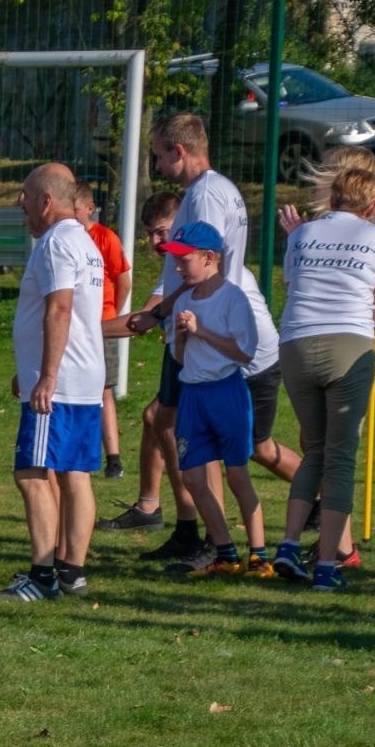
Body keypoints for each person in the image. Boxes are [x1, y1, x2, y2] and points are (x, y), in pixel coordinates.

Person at [120, 112, 298, 573]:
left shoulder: (205, 197)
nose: (158, 165)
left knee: (233, 453)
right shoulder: (215, 190)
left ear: (179, 151)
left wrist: (163, 313)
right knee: (171, 426)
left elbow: (202, 268)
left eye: (160, 155)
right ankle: (202, 536)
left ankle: (223, 544)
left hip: (216, 350)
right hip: (199, 340)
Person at [274, 167, 375, 591]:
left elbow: (293, 284)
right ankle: (327, 565)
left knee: (316, 451)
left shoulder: (301, 235)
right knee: (340, 458)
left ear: (333, 199)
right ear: (373, 206)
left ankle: (289, 544)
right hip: (349, 347)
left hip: (296, 345)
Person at [0, 163, 105, 602]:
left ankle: (42, 576)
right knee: (75, 473)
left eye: (25, 196)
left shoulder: (56, 242)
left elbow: (60, 309)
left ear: (46, 201)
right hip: (83, 375)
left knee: (32, 473)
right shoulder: (85, 242)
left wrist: (47, 377)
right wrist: (29, 368)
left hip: (60, 381)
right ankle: (72, 572)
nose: (20, 204)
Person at [158, 222, 270, 578]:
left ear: (209, 258)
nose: (178, 268)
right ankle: (226, 552)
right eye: (175, 260)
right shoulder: (184, 302)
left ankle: (259, 555)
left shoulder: (232, 298)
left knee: (237, 475)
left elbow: (244, 352)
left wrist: (201, 331)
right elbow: (179, 359)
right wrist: (181, 339)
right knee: (192, 477)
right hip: (193, 395)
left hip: (226, 393)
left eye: (184, 259)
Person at [98, 191, 186, 534]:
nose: (154, 242)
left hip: (227, 361)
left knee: (253, 447)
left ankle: (193, 527)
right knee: (155, 419)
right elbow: (149, 315)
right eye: (150, 234)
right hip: (184, 355)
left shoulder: (193, 259)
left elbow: (144, 320)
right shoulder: (174, 262)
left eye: (162, 232)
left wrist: (84, 331)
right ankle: (150, 507)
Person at [74, 181, 131, 479]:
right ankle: (79, 451)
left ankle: (114, 458)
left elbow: (123, 282)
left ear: (89, 208)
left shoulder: (105, 238)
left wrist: (110, 316)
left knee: (104, 389)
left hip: (101, 325)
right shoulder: (68, 239)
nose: (72, 216)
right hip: (76, 327)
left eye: (76, 210)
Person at [278, 144, 375, 235]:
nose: (316, 178)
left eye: (324, 170)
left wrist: (300, 236)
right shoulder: (368, 230)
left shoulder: (353, 231)